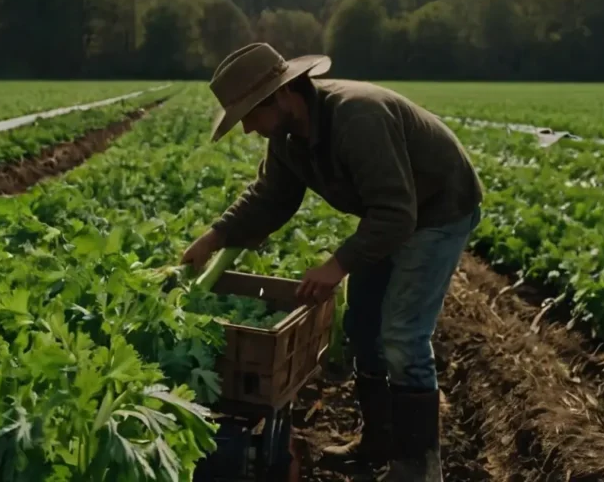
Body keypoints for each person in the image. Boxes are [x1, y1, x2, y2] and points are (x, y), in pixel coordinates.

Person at [181, 42, 483, 482]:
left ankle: (418, 467)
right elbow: (272, 197)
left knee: (401, 333)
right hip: (388, 213)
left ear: (283, 96)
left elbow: (399, 215)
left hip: (437, 210)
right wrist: (214, 237)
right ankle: (377, 441)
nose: (247, 129)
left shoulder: (358, 118)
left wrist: (336, 265)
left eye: (250, 115)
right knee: (362, 325)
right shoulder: (287, 136)